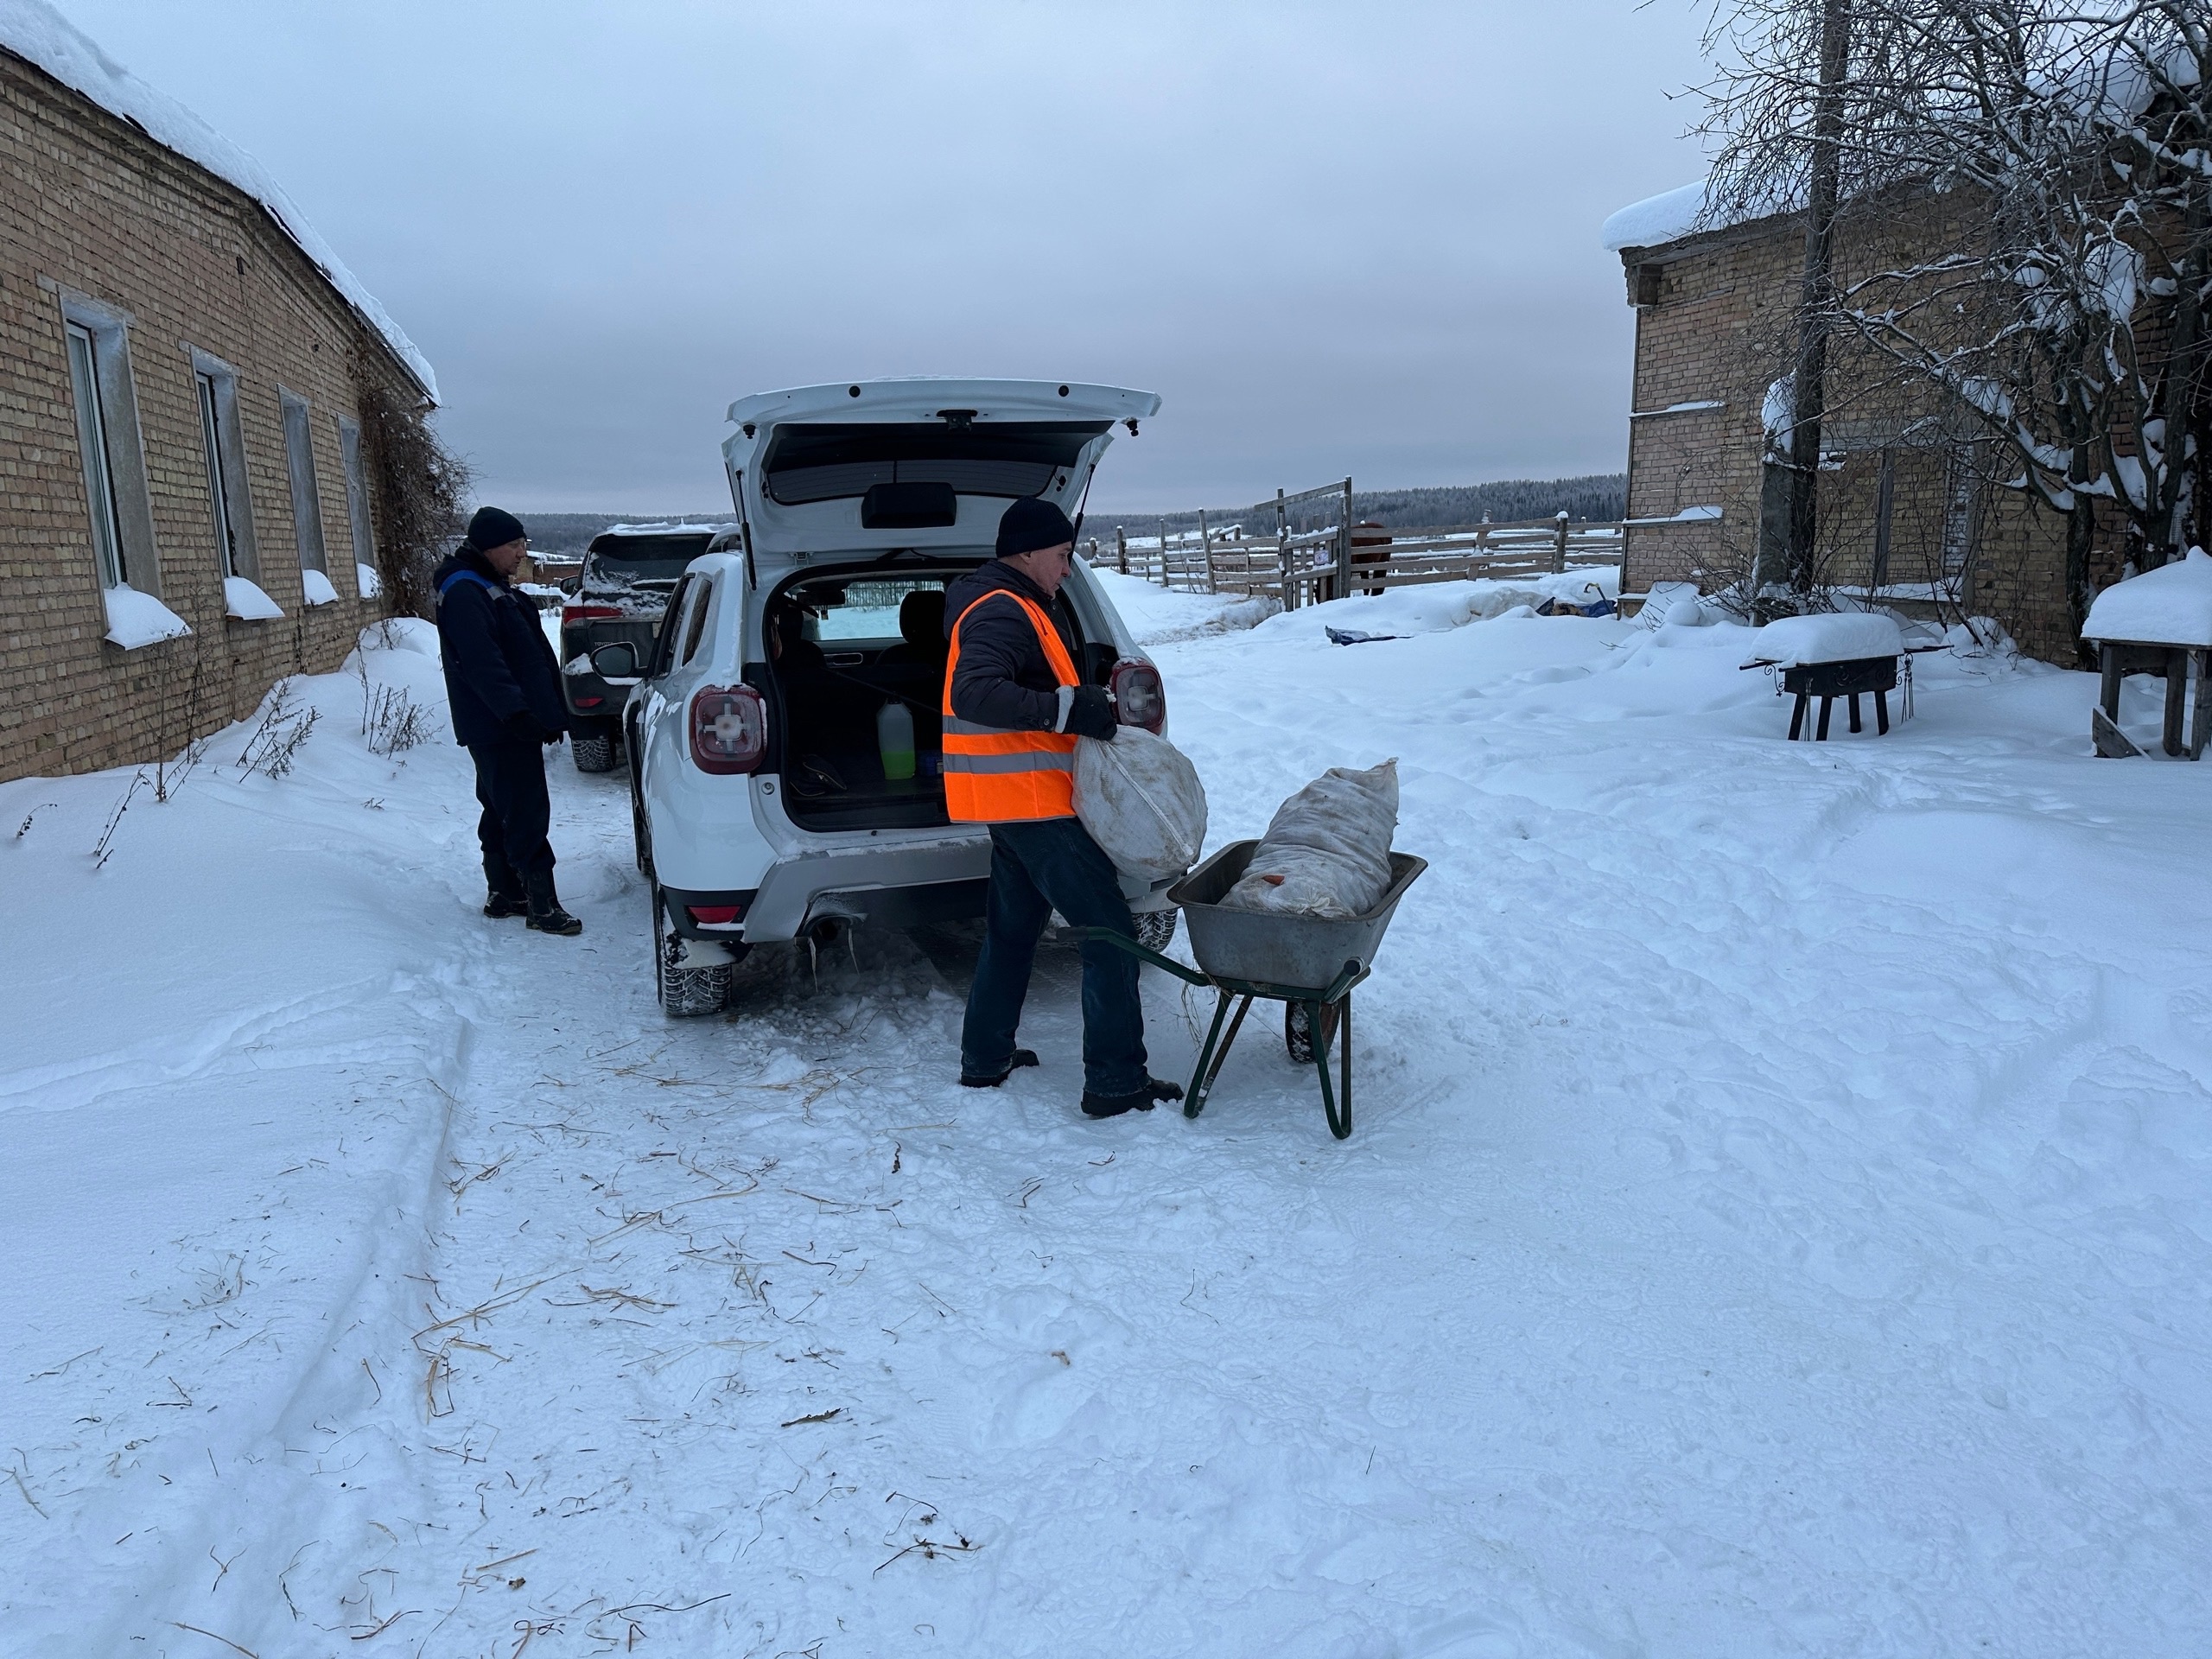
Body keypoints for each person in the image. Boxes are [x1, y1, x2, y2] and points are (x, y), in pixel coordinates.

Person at [943, 497, 1183, 1119]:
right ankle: (1115, 1083)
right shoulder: (1001, 609)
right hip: (1037, 806)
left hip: (1016, 804)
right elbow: (975, 692)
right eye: (1061, 555)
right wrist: (1070, 710)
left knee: (1013, 932)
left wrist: (1080, 703)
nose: (1067, 569)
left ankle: (985, 1056)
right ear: (1026, 552)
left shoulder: (1012, 603)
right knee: (1111, 935)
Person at [432, 506, 582, 937]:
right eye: (514, 545)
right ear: (489, 546)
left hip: (502, 722)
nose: (522, 553)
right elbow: (483, 663)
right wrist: (517, 714)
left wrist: (545, 710)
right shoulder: (465, 590)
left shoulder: (488, 586)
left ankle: (504, 893)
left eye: (523, 544)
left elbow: (524, 655)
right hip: (499, 724)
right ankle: (542, 905)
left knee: (501, 805)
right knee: (525, 809)